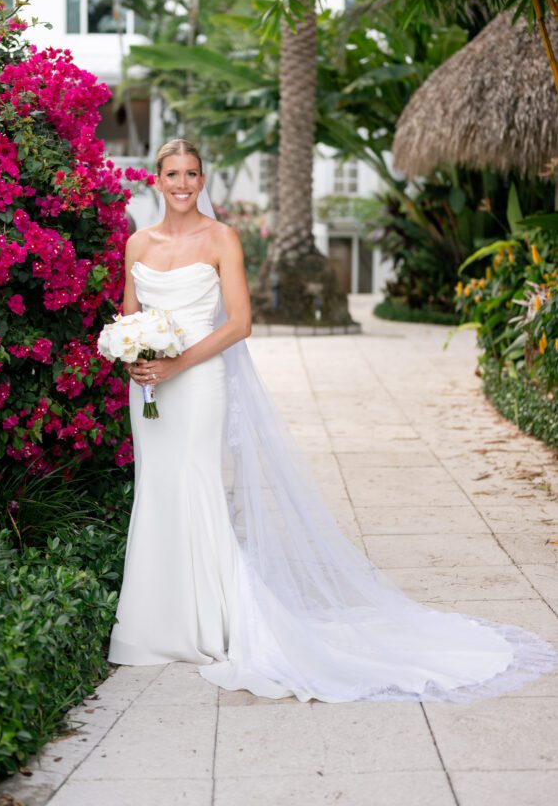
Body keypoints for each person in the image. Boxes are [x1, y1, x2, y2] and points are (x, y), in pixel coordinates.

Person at [106, 138, 558, 703]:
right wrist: (134, 358)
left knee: (196, 486)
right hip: (149, 391)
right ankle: (153, 625)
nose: (181, 183)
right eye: (171, 173)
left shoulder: (221, 238)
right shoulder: (136, 243)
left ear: (202, 180)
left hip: (197, 383)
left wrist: (176, 364)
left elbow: (240, 323)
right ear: (156, 180)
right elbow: (128, 316)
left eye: (191, 173)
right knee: (155, 487)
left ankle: (210, 624)